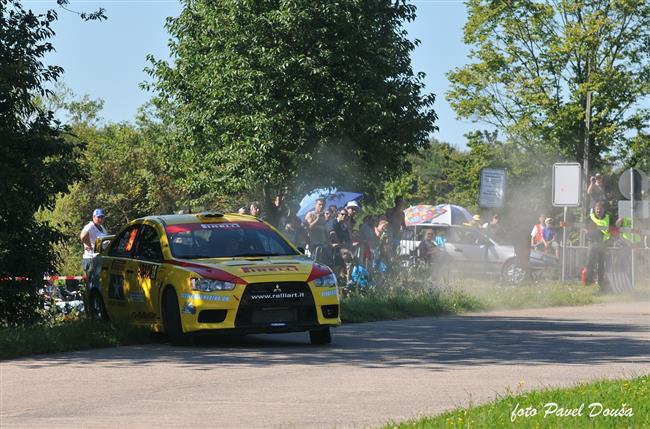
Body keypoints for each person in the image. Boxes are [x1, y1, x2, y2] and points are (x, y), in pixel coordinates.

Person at [584, 200, 614, 288]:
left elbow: (613, 228)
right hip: (592, 242)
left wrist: (612, 233)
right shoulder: (590, 217)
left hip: (603, 244)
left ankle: (601, 283)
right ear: (594, 209)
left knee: (602, 264)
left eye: (600, 209)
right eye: (597, 209)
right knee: (590, 263)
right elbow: (582, 226)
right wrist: (586, 231)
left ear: (603, 210)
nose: (598, 211)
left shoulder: (608, 217)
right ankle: (588, 282)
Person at [80, 208, 108, 273]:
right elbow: (83, 236)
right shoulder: (90, 226)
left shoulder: (102, 228)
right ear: (93, 217)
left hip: (98, 259)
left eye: (102, 217)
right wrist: (89, 245)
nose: (101, 219)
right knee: (93, 282)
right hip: (91, 258)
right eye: (99, 217)